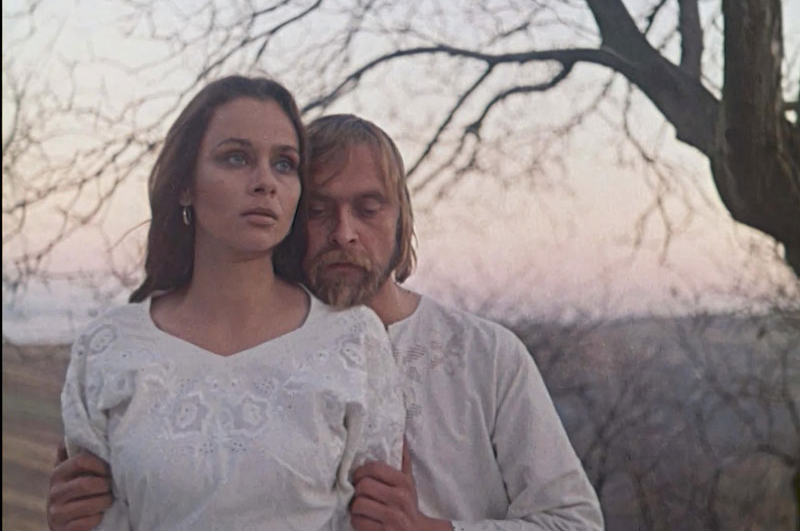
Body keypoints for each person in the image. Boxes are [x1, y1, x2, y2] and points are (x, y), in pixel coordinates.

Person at [48, 113, 605, 530]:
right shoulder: (221, 356)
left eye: (368, 208)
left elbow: (574, 521)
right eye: (318, 210)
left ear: (401, 221)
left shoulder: (487, 356)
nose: (344, 233)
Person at [56, 79, 405, 530]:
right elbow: (89, 517)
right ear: (185, 184)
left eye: (284, 164)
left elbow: (377, 518)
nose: (265, 183)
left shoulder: (352, 341)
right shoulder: (109, 346)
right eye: (236, 158)